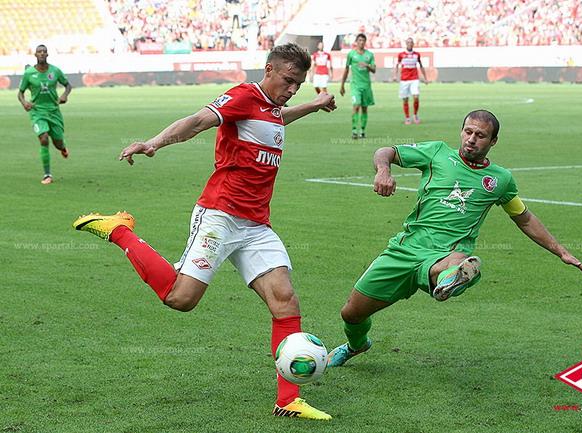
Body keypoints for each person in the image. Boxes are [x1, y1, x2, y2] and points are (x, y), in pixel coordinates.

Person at [72, 43, 337, 420]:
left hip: (256, 225)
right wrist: (154, 143)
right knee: (180, 298)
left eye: (299, 84)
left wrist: (312, 105)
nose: (293, 89)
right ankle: (119, 231)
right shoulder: (243, 96)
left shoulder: (272, 107)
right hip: (220, 215)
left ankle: (288, 400)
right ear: (269, 70)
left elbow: (276, 117)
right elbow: (197, 121)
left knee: (285, 300)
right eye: (289, 80)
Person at [327, 109, 582, 367]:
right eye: (468, 131)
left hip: (447, 254)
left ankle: (454, 278)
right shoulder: (437, 153)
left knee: (457, 263)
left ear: (493, 141)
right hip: (405, 248)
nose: (472, 139)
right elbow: (385, 151)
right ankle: (356, 346)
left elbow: (523, 217)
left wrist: (560, 251)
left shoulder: (500, 180)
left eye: (481, 135)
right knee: (351, 313)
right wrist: (383, 171)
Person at [18, 45, 72, 185]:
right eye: (39, 52)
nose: (42, 53)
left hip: (53, 111)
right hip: (37, 112)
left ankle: (63, 148)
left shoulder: (55, 71)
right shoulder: (29, 73)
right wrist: (24, 103)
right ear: (35, 55)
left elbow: (68, 85)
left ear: (47, 54)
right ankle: (47, 174)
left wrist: (64, 95)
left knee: (58, 143)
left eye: (44, 51)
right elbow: (20, 93)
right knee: (43, 139)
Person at [340, 33, 375, 139]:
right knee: (356, 105)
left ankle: (363, 131)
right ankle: (354, 131)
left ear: (365, 42)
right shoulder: (351, 54)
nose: (361, 42)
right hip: (355, 85)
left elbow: (374, 69)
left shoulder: (369, 55)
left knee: (364, 108)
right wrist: (342, 85)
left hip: (366, 85)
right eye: (359, 40)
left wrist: (367, 65)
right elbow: (346, 69)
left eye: (363, 40)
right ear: (356, 42)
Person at [393, 37, 428, 125]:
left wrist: (425, 78)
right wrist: (395, 75)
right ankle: (407, 117)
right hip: (404, 80)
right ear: (406, 44)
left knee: (416, 96)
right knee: (405, 99)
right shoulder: (401, 55)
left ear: (413, 44)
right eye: (408, 42)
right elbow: (397, 65)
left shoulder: (417, 54)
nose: (410, 44)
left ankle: (415, 115)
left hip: (414, 79)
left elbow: (421, 66)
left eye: (411, 42)